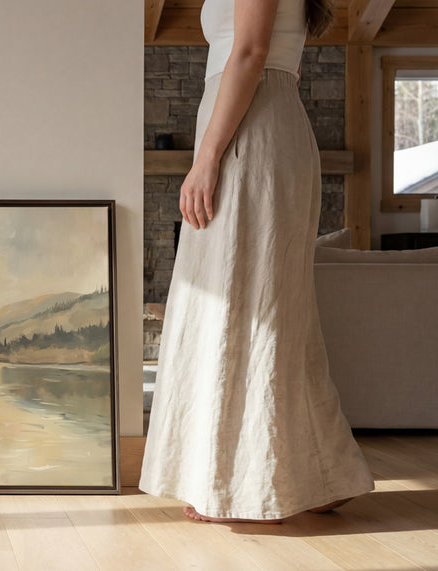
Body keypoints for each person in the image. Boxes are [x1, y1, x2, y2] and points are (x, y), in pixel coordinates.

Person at [139, 0, 375, 523]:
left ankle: (235, 482)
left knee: (244, 306)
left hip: (252, 133)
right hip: (256, 124)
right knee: (262, 307)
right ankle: (320, 475)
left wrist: (205, 159)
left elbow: (248, 52)